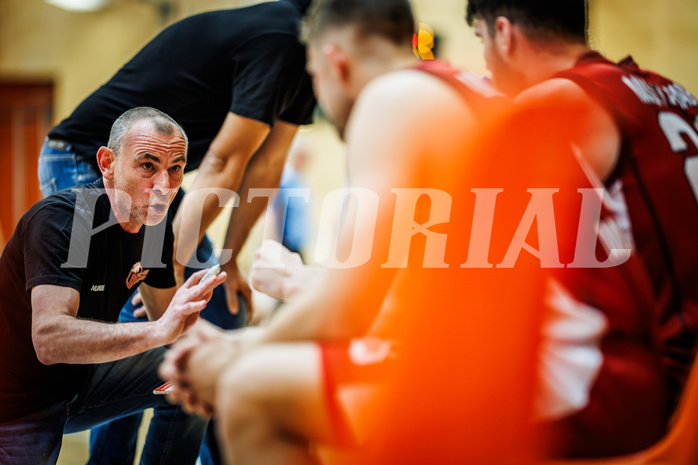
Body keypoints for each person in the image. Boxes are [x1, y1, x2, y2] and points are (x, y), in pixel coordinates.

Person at [159, 0, 558, 463]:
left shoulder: (391, 99)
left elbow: (346, 312)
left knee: (250, 391)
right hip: (528, 358)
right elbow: (393, 301)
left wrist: (234, 356)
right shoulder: (468, 91)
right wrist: (241, 341)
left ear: (334, 61)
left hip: (496, 381)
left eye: (312, 76)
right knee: (267, 368)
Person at [38, 1, 316, 461]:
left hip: (161, 181)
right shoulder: (281, 40)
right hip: (90, 160)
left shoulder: (306, 62)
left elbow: (265, 165)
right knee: (141, 314)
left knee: (221, 314)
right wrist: (164, 266)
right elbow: (226, 162)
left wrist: (227, 260)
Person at [466, 0, 698, 455]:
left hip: (663, 394)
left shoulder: (559, 102)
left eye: (481, 42)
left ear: (504, 33)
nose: (486, 63)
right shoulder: (672, 90)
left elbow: (487, 254)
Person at [0, 107, 227, 465]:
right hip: (17, 403)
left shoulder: (153, 225)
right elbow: (49, 340)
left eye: (175, 168)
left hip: (83, 383)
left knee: (195, 367)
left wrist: (196, 322)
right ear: (107, 162)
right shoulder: (69, 219)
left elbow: (171, 325)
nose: (163, 186)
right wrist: (159, 330)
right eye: (148, 166)